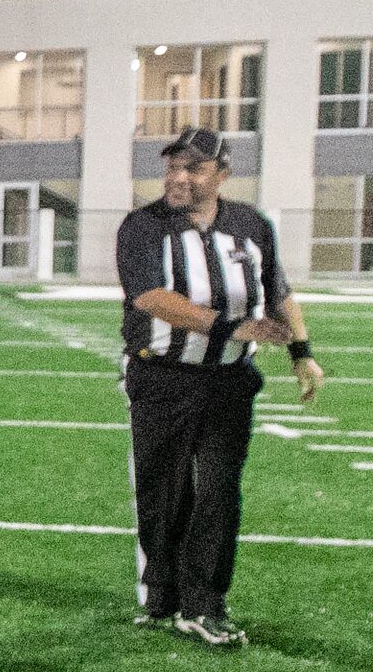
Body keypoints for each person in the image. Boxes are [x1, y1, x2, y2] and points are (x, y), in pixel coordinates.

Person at [117, 126, 324, 645]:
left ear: (222, 175)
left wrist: (302, 352)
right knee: (163, 492)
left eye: (194, 168)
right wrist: (229, 326)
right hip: (162, 376)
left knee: (218, 491)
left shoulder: (251, 224)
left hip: (229, 381)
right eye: (173, 166)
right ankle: (162, 595)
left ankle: (205, 603)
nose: (178, 177)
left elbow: (277, 289)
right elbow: (150, 297)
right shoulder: (143, 227)